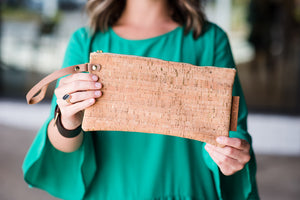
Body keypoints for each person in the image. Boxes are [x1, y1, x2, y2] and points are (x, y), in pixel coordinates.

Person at [23, 0, 259, 199]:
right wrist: (68, 119)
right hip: (110, 192)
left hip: (187, 191)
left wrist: (230, 156)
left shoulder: (209, 39)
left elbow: (231, 131)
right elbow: (62, 141)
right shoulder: (86, 40)